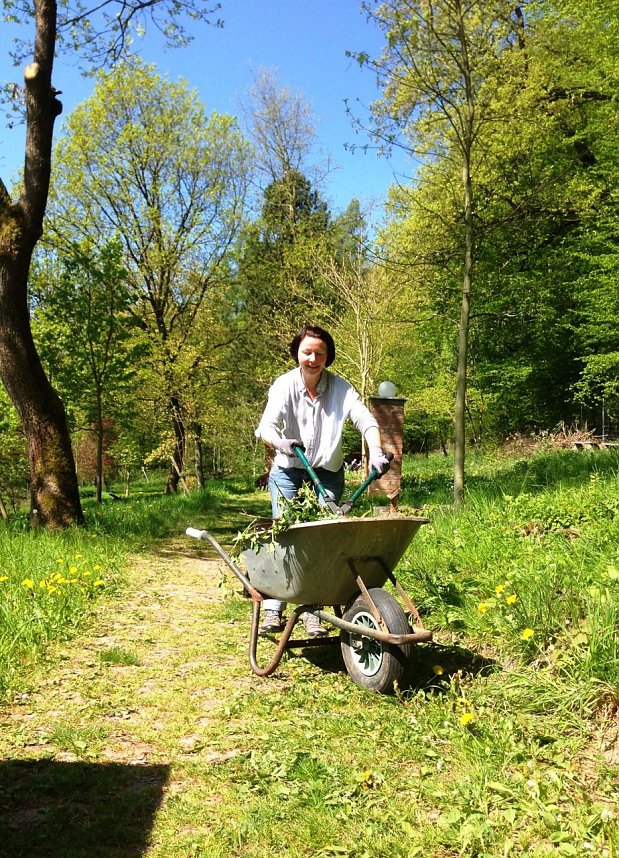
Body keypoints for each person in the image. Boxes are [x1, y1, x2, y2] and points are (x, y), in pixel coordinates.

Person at [256, 324, 390, 637]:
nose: (313, 358)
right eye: (307, 352)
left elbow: (365, 420)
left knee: (323, 539)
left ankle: (312, 611)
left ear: (328, 356)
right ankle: (274, 608)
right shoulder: (284, 386)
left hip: (327, 470)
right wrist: (281, 443)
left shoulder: (341, 388)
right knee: (287, 533)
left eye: (320, 353)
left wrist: (376, 451)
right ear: (296, 354)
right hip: (289, 466)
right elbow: (266, 427)